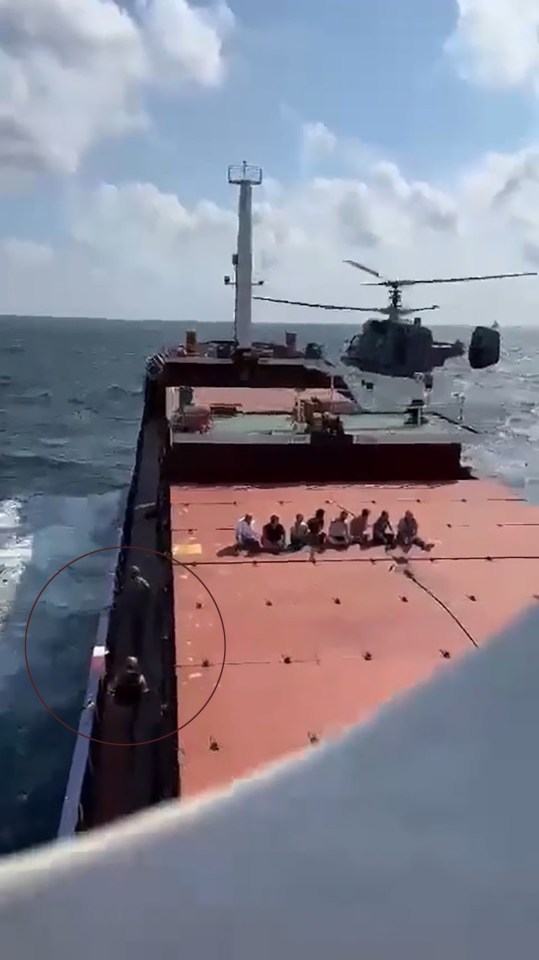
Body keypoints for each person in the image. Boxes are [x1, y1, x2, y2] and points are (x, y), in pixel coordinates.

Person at [109, 656, 150, 745]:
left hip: (121, 700)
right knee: (133, 718)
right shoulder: (139, 677)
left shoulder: (120, 675)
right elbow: (145, 690)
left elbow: (112, 687)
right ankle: (131, 736)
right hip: (133, 700)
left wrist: (112, 696)